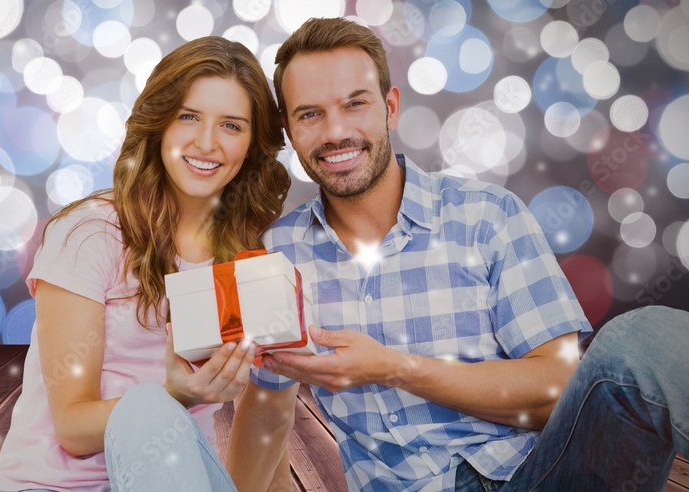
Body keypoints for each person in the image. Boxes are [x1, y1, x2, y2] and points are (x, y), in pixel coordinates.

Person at [246, 17, 689, 492]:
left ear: (390, 108)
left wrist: (393, 368)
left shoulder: (487, 215)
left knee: (645, 336)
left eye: (356, 104)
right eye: (310, 114)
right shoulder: (279, 255)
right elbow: (264, 416)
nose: (336, 132)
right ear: (289, 130)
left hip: (541, 479)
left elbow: (558, 386)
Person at [0, 35, 292, 492]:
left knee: (284, 380)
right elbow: (70, 426)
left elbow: (271, 430)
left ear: (252, 143)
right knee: (148, 406)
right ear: (161, 123)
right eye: (189, 116)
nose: (206, 143)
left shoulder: (249, 258)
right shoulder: (91, 232)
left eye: (231, 125)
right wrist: (176, 396)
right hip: (46, 486)